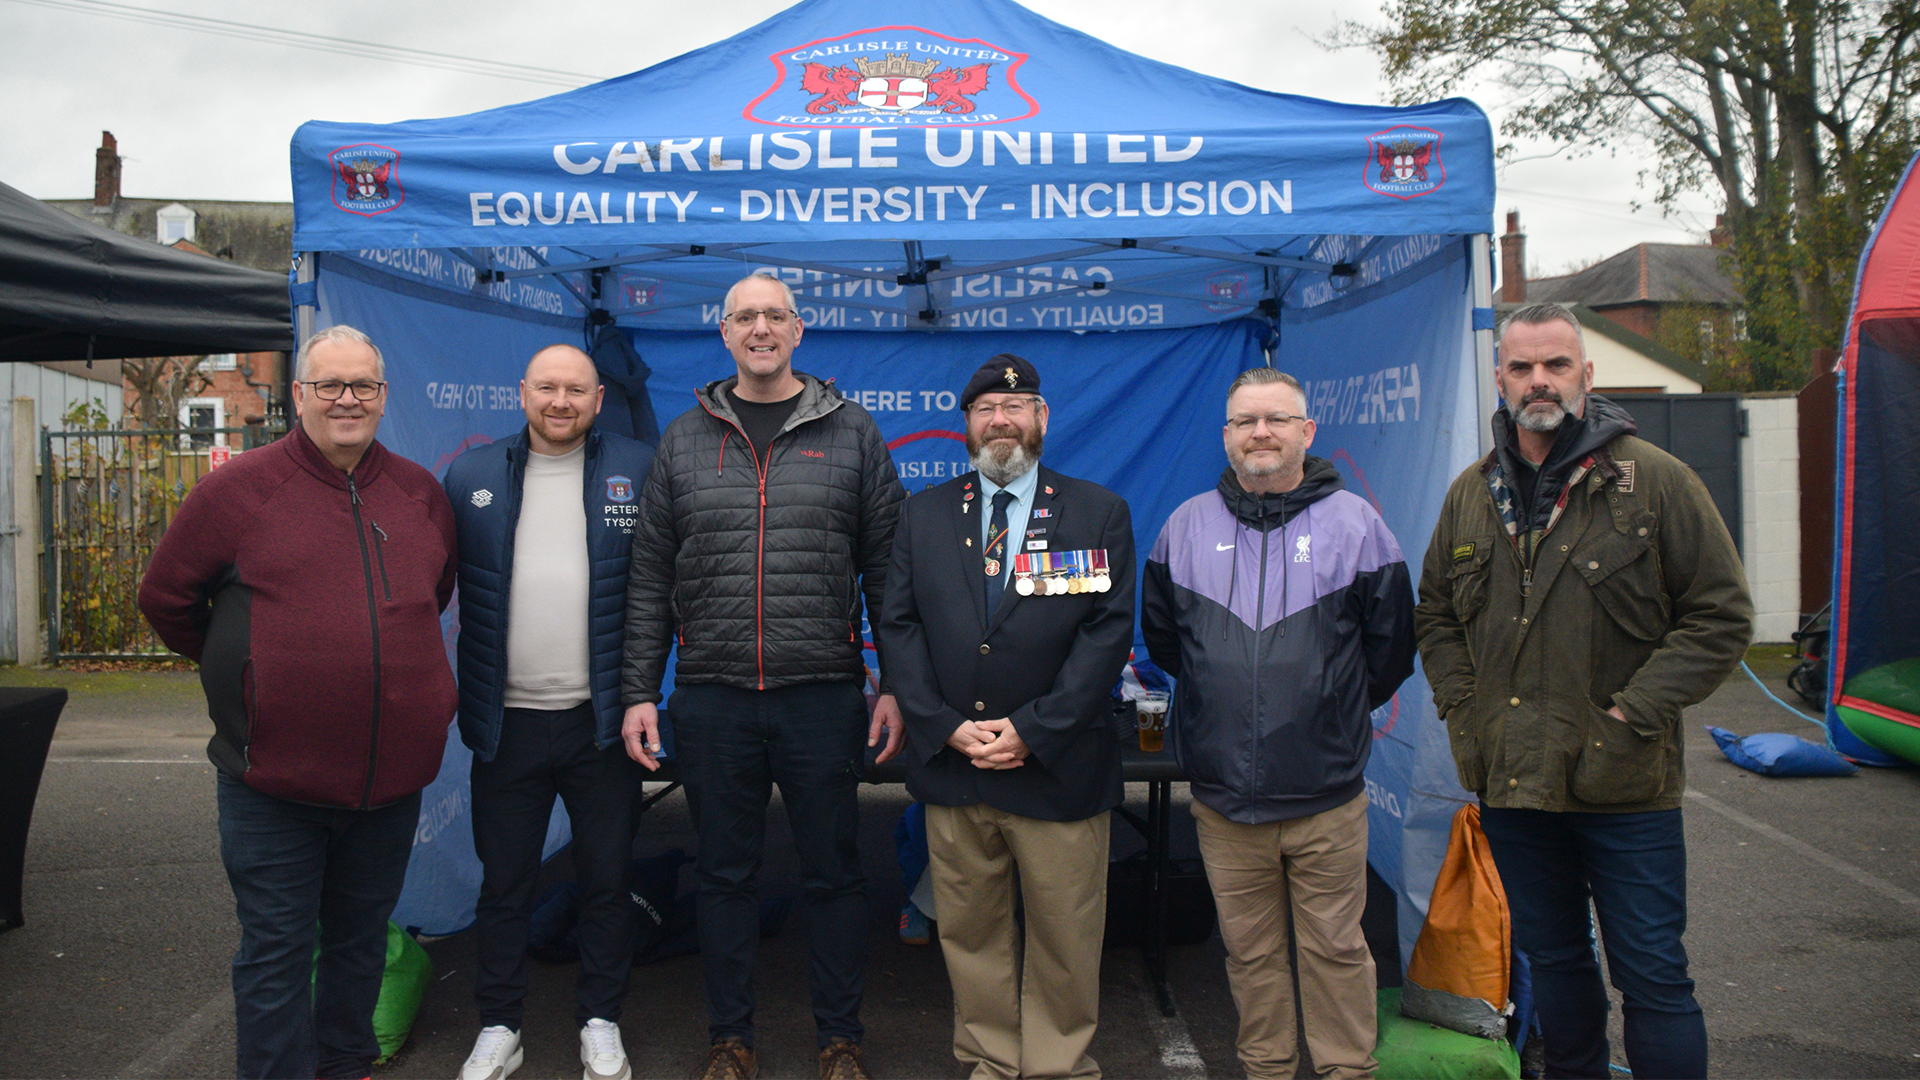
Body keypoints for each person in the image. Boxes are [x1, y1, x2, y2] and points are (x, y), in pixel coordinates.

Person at [1414, 303, 1752, 1079]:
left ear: (1586, 375)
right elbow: (1435, 615)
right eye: (1522, 367)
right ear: (1500, 378)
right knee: (1557, 961)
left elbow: (1721, 617)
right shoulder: (1472, 493)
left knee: (1653, 975)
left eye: (1556, 365)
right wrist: (1465, 714)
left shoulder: (1655, 483)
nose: (1539, 380)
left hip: (1625, 783)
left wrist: (1633, 712)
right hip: (1514, 784)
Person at [138, 325, 457, 1080]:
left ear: (383, 395)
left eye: (363, 385)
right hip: (272, 786)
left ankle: (346, 1067)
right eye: (329, 385)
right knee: (276, 952)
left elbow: (433, 594)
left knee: (359, 942)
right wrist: (248, 673)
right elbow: (166, 599)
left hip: (387, 787)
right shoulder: (236, 492)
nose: (347, 399)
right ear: (298, 394)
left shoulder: (420, 494)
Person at [620, 272, 905, 1080]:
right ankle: (730, 1040)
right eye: (743, 316)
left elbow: (888, 572)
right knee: (724, 877)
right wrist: (640, 691)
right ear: (724, 333)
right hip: (712, 698)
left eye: (774, 315)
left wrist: (894, 683)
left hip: (822, 694)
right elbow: (650, 577)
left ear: (798, 330)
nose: (760, 329)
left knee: (834, 875)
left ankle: (841, 1040)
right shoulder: (685, 439)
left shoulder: (852, 432)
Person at [1141, 367, 1417, 1079]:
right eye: (1245, 421)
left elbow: (1391, 651)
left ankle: (1346, 1070)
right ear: (1226, 435)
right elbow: (1169, 646)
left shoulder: (1357, 524)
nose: (1260, 433)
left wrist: (1327, 706)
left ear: (1306, 431)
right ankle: (1267, 1070)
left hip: (1325, 797)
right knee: (1250, 956)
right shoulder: (1183, 527)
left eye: (1276, 419)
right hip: (1224, 802)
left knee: (1337, 951)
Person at [877, 354, 1136, 1080]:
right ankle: (991, 1061)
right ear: (967, 423)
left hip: (1056, 769)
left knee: (1066, 939)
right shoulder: (922, 515)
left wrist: (1034, 729)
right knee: (971, 936)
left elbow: (1107, 634)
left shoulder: (1096, 512)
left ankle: (1057, 1067)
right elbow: (898, 626)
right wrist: (941, 725)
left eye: (1015, 408)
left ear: (1041, 418)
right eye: (986, 408)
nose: (1001, 420)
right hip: (957, 768)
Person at [442, 344, 656, 1080]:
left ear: (599, 399)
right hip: (507, 725)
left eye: (575, 389)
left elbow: (661, 586)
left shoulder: (639, 467)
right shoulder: (470, 474)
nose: (559, 401)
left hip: (602, 724)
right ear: (522, 392)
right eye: (546, 388)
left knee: (606, 882)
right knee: (503, 887)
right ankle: (500, 1025)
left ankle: (601, 1020)